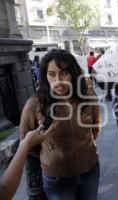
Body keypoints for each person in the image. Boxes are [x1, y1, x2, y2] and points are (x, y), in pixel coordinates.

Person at [19, 49, 101, 200]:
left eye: (64, 73)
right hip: (57, 177)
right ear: (45, 76)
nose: (58, 80)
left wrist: (85, 147)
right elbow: (27, 143)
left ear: (73, 74)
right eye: (52, 74)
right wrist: (51, 155)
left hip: (90, 170)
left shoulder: (88, 97)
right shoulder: (35, 104)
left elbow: (96, 126)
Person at [0, 125, 50, 200]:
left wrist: (25, 145)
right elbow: (4, 191)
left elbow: (4, 191)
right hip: (36, 172)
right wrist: (26, 144)